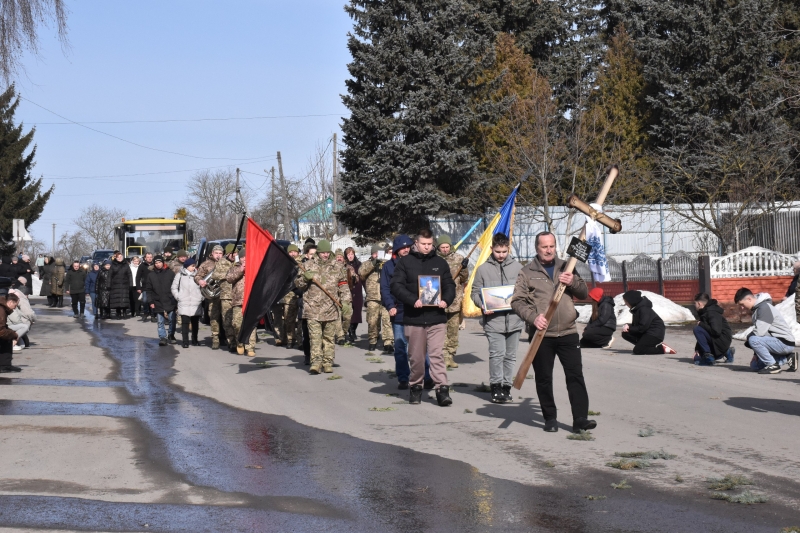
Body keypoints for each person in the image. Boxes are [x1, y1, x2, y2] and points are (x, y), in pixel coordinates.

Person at [510, 231, 595, 433]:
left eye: (551, 246)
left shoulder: (567, 266)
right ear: (537, 248)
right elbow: (517, 301)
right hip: (542, 335)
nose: (548, 250)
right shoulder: (527, 272)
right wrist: (533, 317)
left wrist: (572, 281)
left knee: (575, 376)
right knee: (544, 378)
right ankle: (550, 418)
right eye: (544, 247)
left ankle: (580, 419)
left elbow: (584, 293)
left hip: (568, 332)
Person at [390, 229, 456, 406]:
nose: (427, 247)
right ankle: (416, 387)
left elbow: (449, 284)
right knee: (417, 358)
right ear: (416, 244)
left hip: (436, 317)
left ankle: (442, 390)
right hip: (414, 318)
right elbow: (396, 286)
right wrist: (412, 300)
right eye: (424, 244)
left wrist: (446, 300)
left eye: (429, 244)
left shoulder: (440, 263)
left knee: (436, 355)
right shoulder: (405, 263)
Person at [471, 233, 523, 403]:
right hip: (494, 321)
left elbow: (525, 290)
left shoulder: (518, 267)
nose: (501, 255)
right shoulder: (483, 269)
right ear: (492, 249)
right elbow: (475, 292)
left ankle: (507, 387)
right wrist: (483, 305)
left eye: (504, 251)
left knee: (511, 355)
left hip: (514, 320)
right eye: (498, 251)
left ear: (509, 249)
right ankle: (496, 386)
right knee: (497, 354)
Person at [381, 235, 434, 390]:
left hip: (417, 311)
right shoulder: (388, 267)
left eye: (407, 247)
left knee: (421, 346)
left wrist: (430, 301)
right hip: (398, 311)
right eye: (401, 247)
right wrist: (390, 305)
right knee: (400, 347)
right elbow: (385, 288)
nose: (405, 250)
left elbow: (428, 283)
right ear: (396, 249)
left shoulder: (418, 262)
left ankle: (427, 376)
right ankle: (403, 377)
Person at [294, 239, 352, 374]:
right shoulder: (307, 266)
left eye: (327, 252)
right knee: (315, 337)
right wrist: (304, 278)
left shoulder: (337, 267)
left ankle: (327, 362)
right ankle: (315, 362)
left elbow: (343, 286)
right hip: (312, 308)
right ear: (318, 253)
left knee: (328, 338)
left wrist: (346, 302)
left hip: (330, 309)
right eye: (323, 252)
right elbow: (298, 285)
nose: (325, 255)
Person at [735, 288, 797, 374]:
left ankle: (773, 366)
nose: (742, 308)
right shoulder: (757, 309)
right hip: (774, 341)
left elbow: (759, 333)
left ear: (749, 299)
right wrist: (755, 354)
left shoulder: (764, 308)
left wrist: (749, 340)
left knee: (752, 339)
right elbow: (762, 334)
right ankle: (786, 358)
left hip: (784, 342)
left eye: (742, 304)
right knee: (755, 365)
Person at [437, 235, 470, 369]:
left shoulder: (458, 258)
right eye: (442, 247)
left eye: (447, 247)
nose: (445, 249)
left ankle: (451, 355)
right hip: (438, 300)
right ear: (438, 247)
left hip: (455, 300)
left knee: (453, 330)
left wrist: (464, 268)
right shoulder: (434, 259)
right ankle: (442, 356)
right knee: (440, 330)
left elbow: (463, 278)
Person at [359, 244, 393, 353]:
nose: (377, 255)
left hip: (386, 297)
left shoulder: (387, 263)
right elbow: (361, 273)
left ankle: (388, 342)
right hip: (373, 297)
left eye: (380, 253)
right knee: (372, 321)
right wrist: (374, 263)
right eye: (375, 253)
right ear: (372, 254)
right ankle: (372, 340)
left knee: (387, 320)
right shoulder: (367, 264)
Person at [620, 290, 677, 355]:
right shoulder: (637, 309)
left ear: (632, 301)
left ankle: (661, 349)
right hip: (647, 332)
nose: (626, 304)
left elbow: (642, 327)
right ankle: (644, 346)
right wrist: (627, 326)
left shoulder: (644, 309)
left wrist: (629, 327)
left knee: (638, 350)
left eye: (626, 302)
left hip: (654, 334)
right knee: (626, 333)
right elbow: (638, 325)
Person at [226, 249, 257, 356]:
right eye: (243, 257)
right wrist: (241, 269)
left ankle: (250, 347)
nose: (245, 259)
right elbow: (229, 279)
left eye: (247, 257)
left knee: (251, 324)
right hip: (238, 300)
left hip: (251, 300)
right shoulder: (234, 268)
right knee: (237, 324)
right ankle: (240, 342)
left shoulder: (254, 267)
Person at [195, 245, 225, 349]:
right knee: (214, 317)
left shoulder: (226, 263)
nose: (218, 255)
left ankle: (226, 338)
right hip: (213, 295)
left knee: (226, 317)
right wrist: (200, 281)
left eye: (220, 253)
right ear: (212, 253)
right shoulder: (206, 264)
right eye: (216, 253)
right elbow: (197, 276)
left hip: (225, 294)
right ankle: (215, 339)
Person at [692, 293, 734, 366]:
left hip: (722, 340)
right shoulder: (705, 312)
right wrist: (697, 350)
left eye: (694, 303)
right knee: (697, 358)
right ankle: (727, 351)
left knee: (697, 329)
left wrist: (701, 324)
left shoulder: (712, 312)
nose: (694, 305)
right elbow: (703, 335)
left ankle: (708, 356)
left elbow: (716, 331)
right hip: (718, 339)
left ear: (699, 303)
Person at [273, 244, 301, 349]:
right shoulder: (283, 264)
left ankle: (295, 339)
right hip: (285, 295)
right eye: (290, 252)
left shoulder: (302, 264)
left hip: (297, 295)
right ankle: (286, 338)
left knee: (295, 320)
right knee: (285, 319)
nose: (293, 254)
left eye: (295, 252)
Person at [171, 257, 203, 348]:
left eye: (194, 266)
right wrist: (178, 296)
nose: (194, 268)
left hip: (196, 302)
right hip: (183, 302)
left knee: (195, 323)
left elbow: (203, 287)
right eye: (192, 266)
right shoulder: (179, 275)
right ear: (187, 266)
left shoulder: (198, 276)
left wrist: (201, 297)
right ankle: (185, 341)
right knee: (185, 323)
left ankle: (195, 340)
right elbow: (174, 287)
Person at [146, 255, 177, 346]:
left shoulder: (170, 273)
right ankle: (162, 337)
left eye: (159, 262)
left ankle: (171, 335)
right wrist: (150, 301)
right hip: (157, 300)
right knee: (160, 321)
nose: (158, 264)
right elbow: (148, 289)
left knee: (172, 319)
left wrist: (175, 298)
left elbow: (175, 286)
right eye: (156, 263)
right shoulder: (151, 275)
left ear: (163, 263)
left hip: (170, 299)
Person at [299, 242, 317, 364]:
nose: (313, 257)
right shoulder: (301, 266)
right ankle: (307, 354)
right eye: (311, 254)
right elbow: (295, 285)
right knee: (306, 331)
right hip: (305, 303)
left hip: (319, 304)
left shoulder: (319, 266)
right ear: (306, 254)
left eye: (315, 254)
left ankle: (317, 356)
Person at [342, 246, 363, 345]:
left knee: (357, 312)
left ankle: (354, 329)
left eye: (352, 254)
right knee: (349, 312)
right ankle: (350, 331)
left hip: (357, 290)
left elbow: (363, 277)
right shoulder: (343, 265)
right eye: (348, 254)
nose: (350, 256)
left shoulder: (359, 265)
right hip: (348, 291)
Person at [0, 293, 22, 372]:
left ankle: (5, 365)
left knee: (8, 337)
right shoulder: (1, 310)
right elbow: (1, 331)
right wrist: (14, 334)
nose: (14, 308)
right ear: (10, 302)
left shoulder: (2, 308)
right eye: (15, 305)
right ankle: (4, 366)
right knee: (6, 338)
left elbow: (3, 327)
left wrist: (12, 333)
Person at [110, 252, 132, 319]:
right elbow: (110, 275)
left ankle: (124, 313)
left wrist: (130, 284)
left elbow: (129, 275)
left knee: (124, 300)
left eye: (121, 257)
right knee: (117, 300)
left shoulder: (126, 265)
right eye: (118, 257)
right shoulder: (113, 265)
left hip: (124, 284)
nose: (120, 258)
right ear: (116, 258)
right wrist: (108, 284)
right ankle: (118, 313)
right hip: (115, 285)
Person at [137, 253, 154, 322]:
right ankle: (145, 313)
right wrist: (138, 287)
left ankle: (153, 315)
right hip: (145, 286)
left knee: (153, 301)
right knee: (145, 300)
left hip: (154, 286)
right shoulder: (142, 266)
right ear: (145, 258)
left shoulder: (155, 265)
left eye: (150, 257)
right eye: (148, 257)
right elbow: (138, 277)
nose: (149, 258)